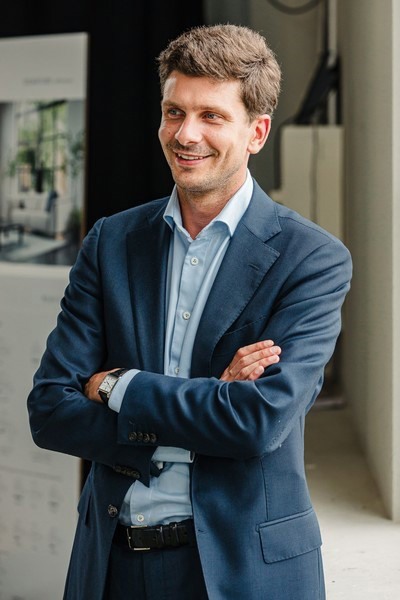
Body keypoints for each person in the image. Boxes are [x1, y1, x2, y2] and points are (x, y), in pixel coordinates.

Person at [28, 23, 352, 600]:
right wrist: (212, 403)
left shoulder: (312, 259)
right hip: (111, 565)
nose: (186, 134)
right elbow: (50, 409)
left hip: (242, 571)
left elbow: (257, 423)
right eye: (174, 112)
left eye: (211, 116)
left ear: (257, 132)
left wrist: (117, 386)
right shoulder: (111, 242)